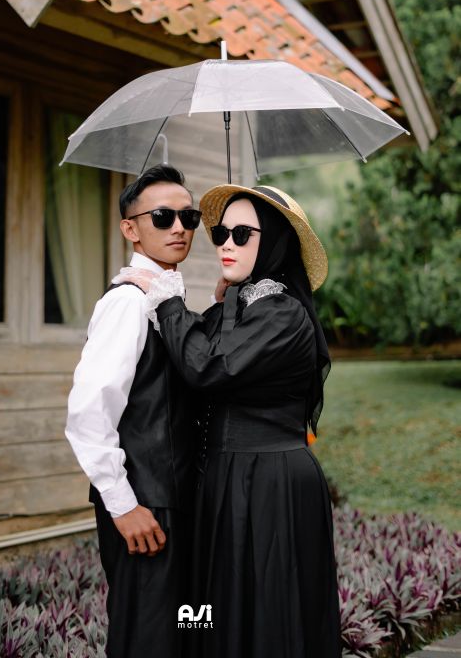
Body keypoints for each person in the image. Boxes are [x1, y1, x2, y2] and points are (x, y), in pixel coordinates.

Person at [116, 183, 342, 658]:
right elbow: (204, 348)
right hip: (229, 477)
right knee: (221, 609)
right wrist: (224, 306)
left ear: (274, 241)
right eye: (221, 233)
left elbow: (207, 367)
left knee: (268, 610)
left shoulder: (283, 314)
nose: (226, 244)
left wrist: (168, 300)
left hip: (270, 481)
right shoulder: (249, 306)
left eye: (242, 234)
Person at [65, 164, 201, 658]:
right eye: (163, 217)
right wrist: (123, 506)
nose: (180, 227)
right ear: (131, 229)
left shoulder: (167, 297)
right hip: (145, 505)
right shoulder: (127, 302)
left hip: (180, 499)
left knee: (190, 625)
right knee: (148, 636)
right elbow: (88, 413)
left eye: (189, 217)